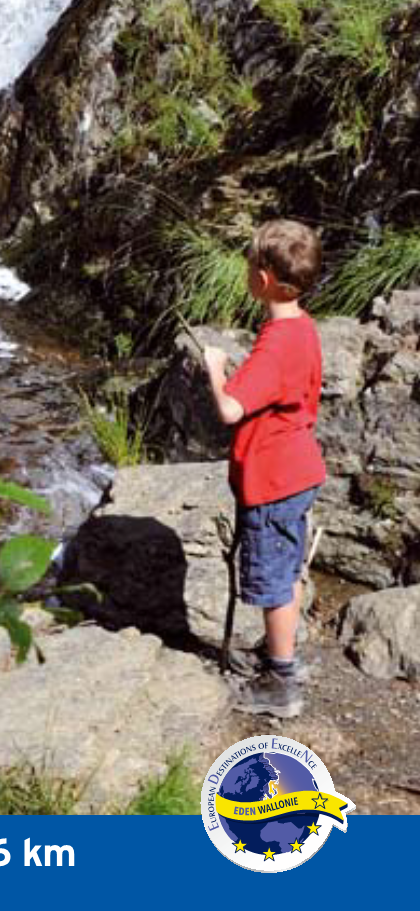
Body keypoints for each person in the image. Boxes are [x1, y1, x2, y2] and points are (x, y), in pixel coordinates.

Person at [203, 218, 326, 717]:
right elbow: (278, 389)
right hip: (298, 473)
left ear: (264, 280)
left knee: (273, 580)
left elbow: (231, 409)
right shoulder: (300, 326)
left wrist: (215, 370)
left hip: (272, 481)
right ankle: (285, 658)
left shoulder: (274, 342)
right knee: (288, 568)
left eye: (250, 264)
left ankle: (281, 682)